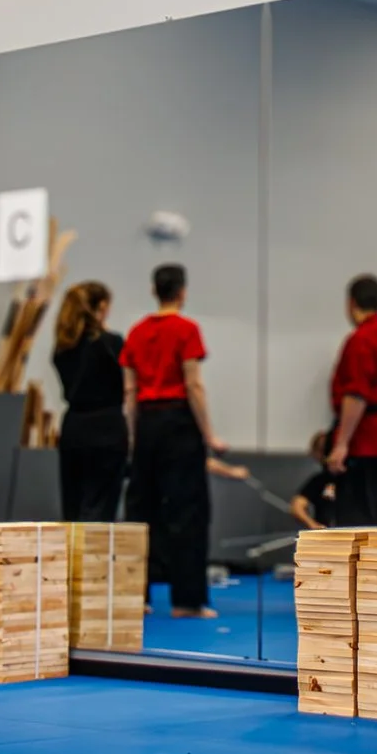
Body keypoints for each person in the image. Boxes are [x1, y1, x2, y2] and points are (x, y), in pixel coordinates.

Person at [121, 263, 226, 619]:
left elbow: (130, 391)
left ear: (154, 291)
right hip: (179, 422)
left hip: (147, 422)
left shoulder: (135, 332)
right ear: (182, 292)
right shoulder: (187, 330)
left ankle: (137, 596)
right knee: (188, 512)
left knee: (140, 511)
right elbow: (193, 383)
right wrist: (209, 434)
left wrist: (135, 438)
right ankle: (187, 600)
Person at [324, 274, 377, 526]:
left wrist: (342, 443)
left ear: (351, 303)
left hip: (367, 441)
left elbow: (356, 394)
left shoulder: (362, 339)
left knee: (357, 522)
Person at [50, 281, 127, 522]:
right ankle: (94, 559)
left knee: (73, 506)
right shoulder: (111, 344)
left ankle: (73, 558)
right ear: (101, 306)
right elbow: (129, 384)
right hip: (107, 428)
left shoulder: (62, 348)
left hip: (74, 429)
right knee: (100, 510)